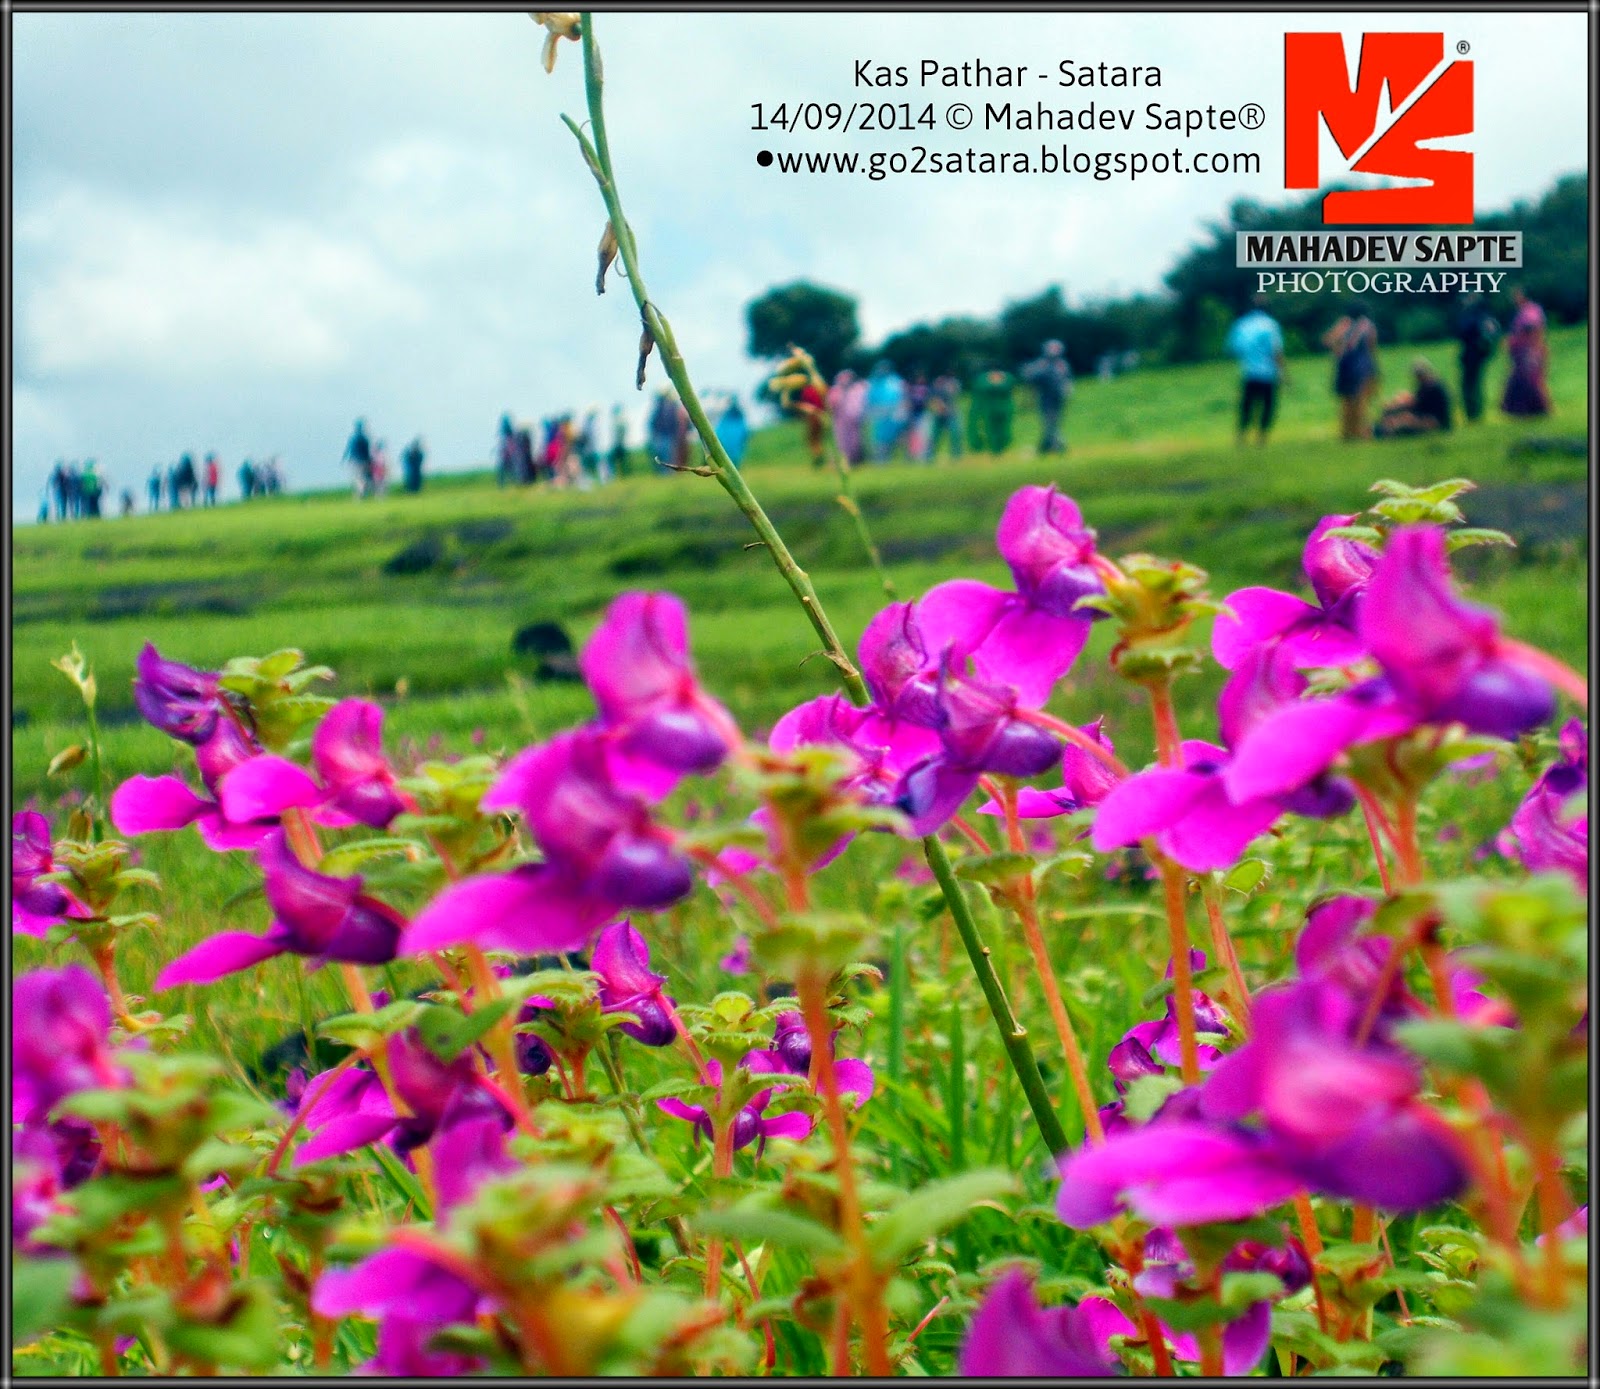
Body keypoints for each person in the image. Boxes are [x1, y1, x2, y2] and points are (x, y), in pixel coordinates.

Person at [1226, 294, 1288, 446]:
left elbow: (1234, 348)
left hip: (1248, 372)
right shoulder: (1271, 325)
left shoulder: (1242, 324)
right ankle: (1261, 437)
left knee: (1247, 405)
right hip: (1268, 373)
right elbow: (1276, 351)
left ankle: (1241, 436)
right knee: (1267, 405)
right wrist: (1283, 373)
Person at [1324, 305, 1380, 441]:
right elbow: (1372, 349)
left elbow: (1328, 341)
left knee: (1346, 403)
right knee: (1361, 403)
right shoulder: (1368, 326)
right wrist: (1376, 371)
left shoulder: (1343, 324)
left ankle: (1347, 433)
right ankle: (1362, 433)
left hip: (1345, 367)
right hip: (1363, 368)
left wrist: (1338, 350)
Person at [1501, 287, 1552, 417]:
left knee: (1533, 380)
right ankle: (1524, 410)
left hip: (1531, 350)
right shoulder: (1521, 312)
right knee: (1520, 380)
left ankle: (1543, 409)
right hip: (1522, 351)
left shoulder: (1530, 311)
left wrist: (1517, 341)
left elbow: (1532, 330)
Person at [1375, 359, 1453, 438]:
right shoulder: (1431, 384)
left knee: (1404, 420)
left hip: (1436, 422)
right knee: (1404, 416)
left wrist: (1394, 406)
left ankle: (1385, 432)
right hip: (1432, 418)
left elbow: (1415, 404)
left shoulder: (1431, 387)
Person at [1454, 294, 1500, 424]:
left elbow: (1462, 331)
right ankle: (1475, 413)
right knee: (1474, 385)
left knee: (1469, 386)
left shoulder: (1473, 316)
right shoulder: (1483, 315)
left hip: (1472, 355)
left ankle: (1473, 413)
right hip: (1476, 355)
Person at [1021, 339, 1073, 453]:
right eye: (1052, 348)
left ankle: (1045, 447)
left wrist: (1068, 390)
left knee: (1055, 423)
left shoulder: (1062, 364)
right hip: (1046, 398)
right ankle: (1058, 446)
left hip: (1059, 399)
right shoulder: (1041, 364)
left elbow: (1067, 379)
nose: (1055, 351)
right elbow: (1032, 379)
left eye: (1057, 349)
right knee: (1050, 422)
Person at [864, 360, 907, 464]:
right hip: (878, 414)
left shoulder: (895, 381)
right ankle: (881, 460)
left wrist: (901, 411)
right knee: (879, 440)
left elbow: (902, 397)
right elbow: (868, 399)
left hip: (893, 414)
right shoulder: (873, 381)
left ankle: (903, 459)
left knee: (896, 438)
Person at [968, 368, 1016, 454]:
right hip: (989, 409)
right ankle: (994, 450)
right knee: (991, 429)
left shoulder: (1007, 377)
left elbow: (1008, 385)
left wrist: (995, 385)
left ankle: (1001, 447)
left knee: (1004, 430)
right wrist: (996, 385)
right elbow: (981, 387)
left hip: (1004, 409)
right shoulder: (982, 379)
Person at [828, 369, 867, 465]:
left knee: (855, 441)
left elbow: (862, 404)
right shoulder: (835, 390)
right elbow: (831, 405)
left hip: (855, 420)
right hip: (840, 421)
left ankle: (856, 460)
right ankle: (842, 461)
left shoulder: (858, 389)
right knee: (841, 442)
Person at [927, 372, 964, 461]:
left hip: (951, 414)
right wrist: (939, 407)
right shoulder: (934, 390)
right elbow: (932, 402)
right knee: (934, 436)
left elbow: (954, 397)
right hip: (939, 415)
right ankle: (929, 456)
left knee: (955, 434)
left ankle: (956, 455)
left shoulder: (952, 386)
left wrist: (946, 408)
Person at [716, 394, 750, 468]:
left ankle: (734, 468)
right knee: (731, 455)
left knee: (733, 455)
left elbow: (743, 428)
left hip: (735, 436)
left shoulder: (737, 414)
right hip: (730, 437)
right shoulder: (727, 414)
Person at [344, 418, 374, 497]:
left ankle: (360, 494)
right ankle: (362, 493)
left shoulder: (353, 438)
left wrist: (345, 459)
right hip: (364, 461)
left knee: (359, 479)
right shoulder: (365, 438)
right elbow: (368, 451)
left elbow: (348, 450)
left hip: (355, 461)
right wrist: (370, 461)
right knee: (363, 478)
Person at [608, 405, 630, 478]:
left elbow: (618, 434)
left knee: (617, 461)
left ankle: (618, 474)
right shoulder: (621, 420)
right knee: (621, 461)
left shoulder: (618, 421)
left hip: (619, 444)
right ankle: (623, 474)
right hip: (621, 444)